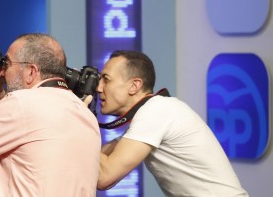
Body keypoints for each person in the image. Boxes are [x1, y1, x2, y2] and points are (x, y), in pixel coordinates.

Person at [0, 33, 101, 196]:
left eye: (7, 64)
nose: (1, 73)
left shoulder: (22, 103)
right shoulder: (86, 115)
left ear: (31, 72)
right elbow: (25, 131)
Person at [96, 50, 248, 196]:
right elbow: (94, 159)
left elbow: (105, 176)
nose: (98, 88)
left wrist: (80, 118)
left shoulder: (156, 111)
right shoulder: (154, 111)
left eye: (106, 80)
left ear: (134, 86)